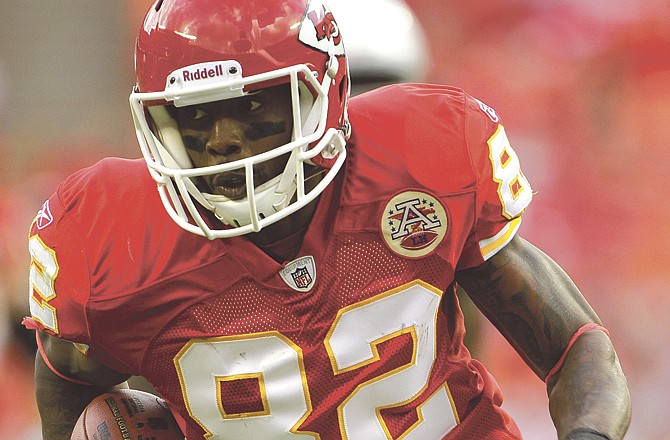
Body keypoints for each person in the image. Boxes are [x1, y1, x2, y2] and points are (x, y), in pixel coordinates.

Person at [24, 0, 631, 439]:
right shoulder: (109, 240)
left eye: (253, 104)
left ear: (323, 93)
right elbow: (67, 387)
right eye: (194, 117)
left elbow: (573, 346)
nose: (224, 139)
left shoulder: (420, 159)